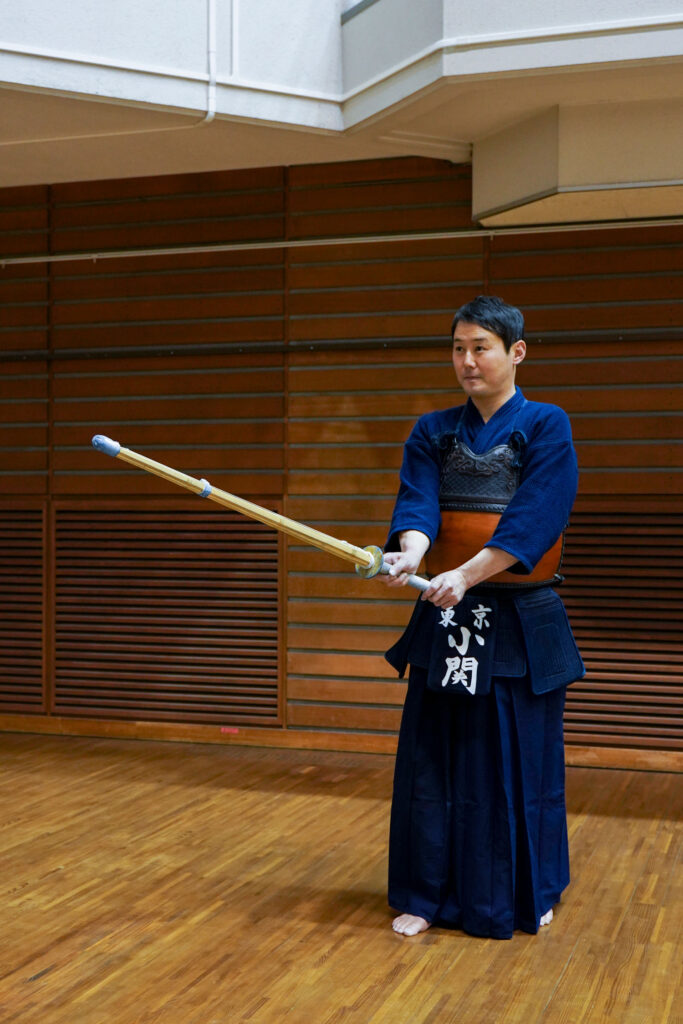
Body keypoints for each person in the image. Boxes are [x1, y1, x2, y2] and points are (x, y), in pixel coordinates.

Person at [382, 295, 584, 940]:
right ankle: (426, 893)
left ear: (515, 352)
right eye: (458, 348)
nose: (467, 361)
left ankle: (527, 893)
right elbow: (417, 507)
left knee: (520, 763)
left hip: (518, 617)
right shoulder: (433, 429)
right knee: (432, 760)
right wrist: (405, 554)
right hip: (444, 613)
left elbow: (536, 516)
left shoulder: (547, 424)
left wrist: (466, 575)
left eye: (480, 348)